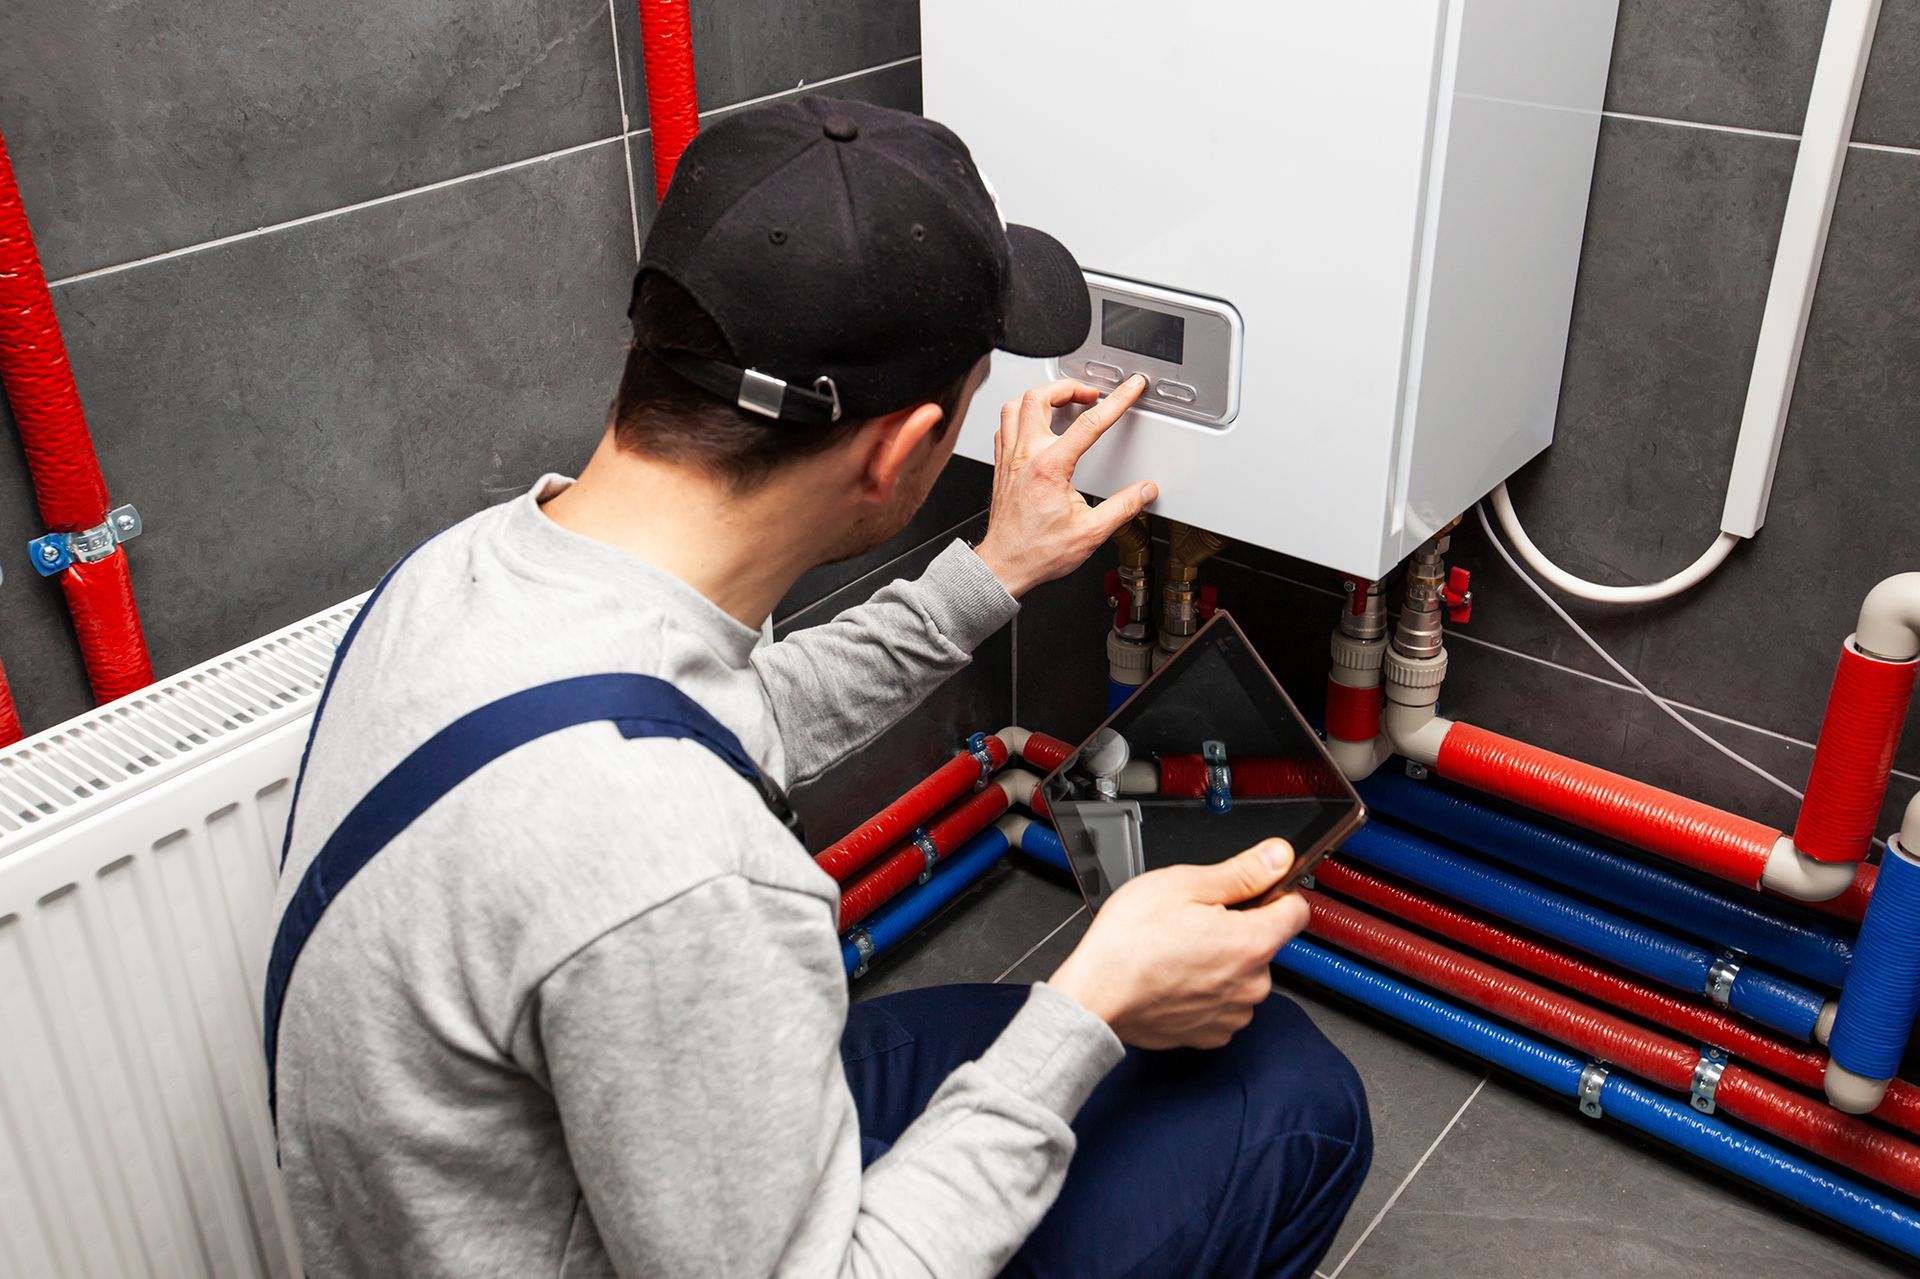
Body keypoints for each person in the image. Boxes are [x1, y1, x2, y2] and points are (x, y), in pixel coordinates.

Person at [266, 96, 1369, 1278]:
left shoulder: (472, 571)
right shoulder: (678, 868)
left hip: (560, 1181)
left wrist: (989, 573)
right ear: (900, 451)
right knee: (1299, 1104)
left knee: (1168, 1065)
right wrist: (1087, 1003)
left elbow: (723, 721)